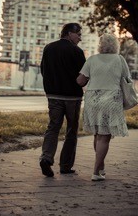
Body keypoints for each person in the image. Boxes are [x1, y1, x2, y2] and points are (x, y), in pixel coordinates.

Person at [76, 33, 130, 181]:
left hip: (93, 99)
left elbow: (80, 81)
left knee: (98, 135)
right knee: (104, 138)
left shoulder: (92, 59)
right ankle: (95, 172)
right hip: (111, 100)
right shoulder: (119, 60)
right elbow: (127, 79)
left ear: (100, 45)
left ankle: (101, 167)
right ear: (115, 45)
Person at [39, 23, 86, 177]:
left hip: (53, 96)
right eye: (78, 34)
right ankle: (65, 165)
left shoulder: (48, 48)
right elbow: (82, 76)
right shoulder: (77, 52)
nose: (80, 38)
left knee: (53, 127)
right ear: (68, 33)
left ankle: (46, 158)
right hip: (73, 97)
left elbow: (43, 70)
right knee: (71, 130)